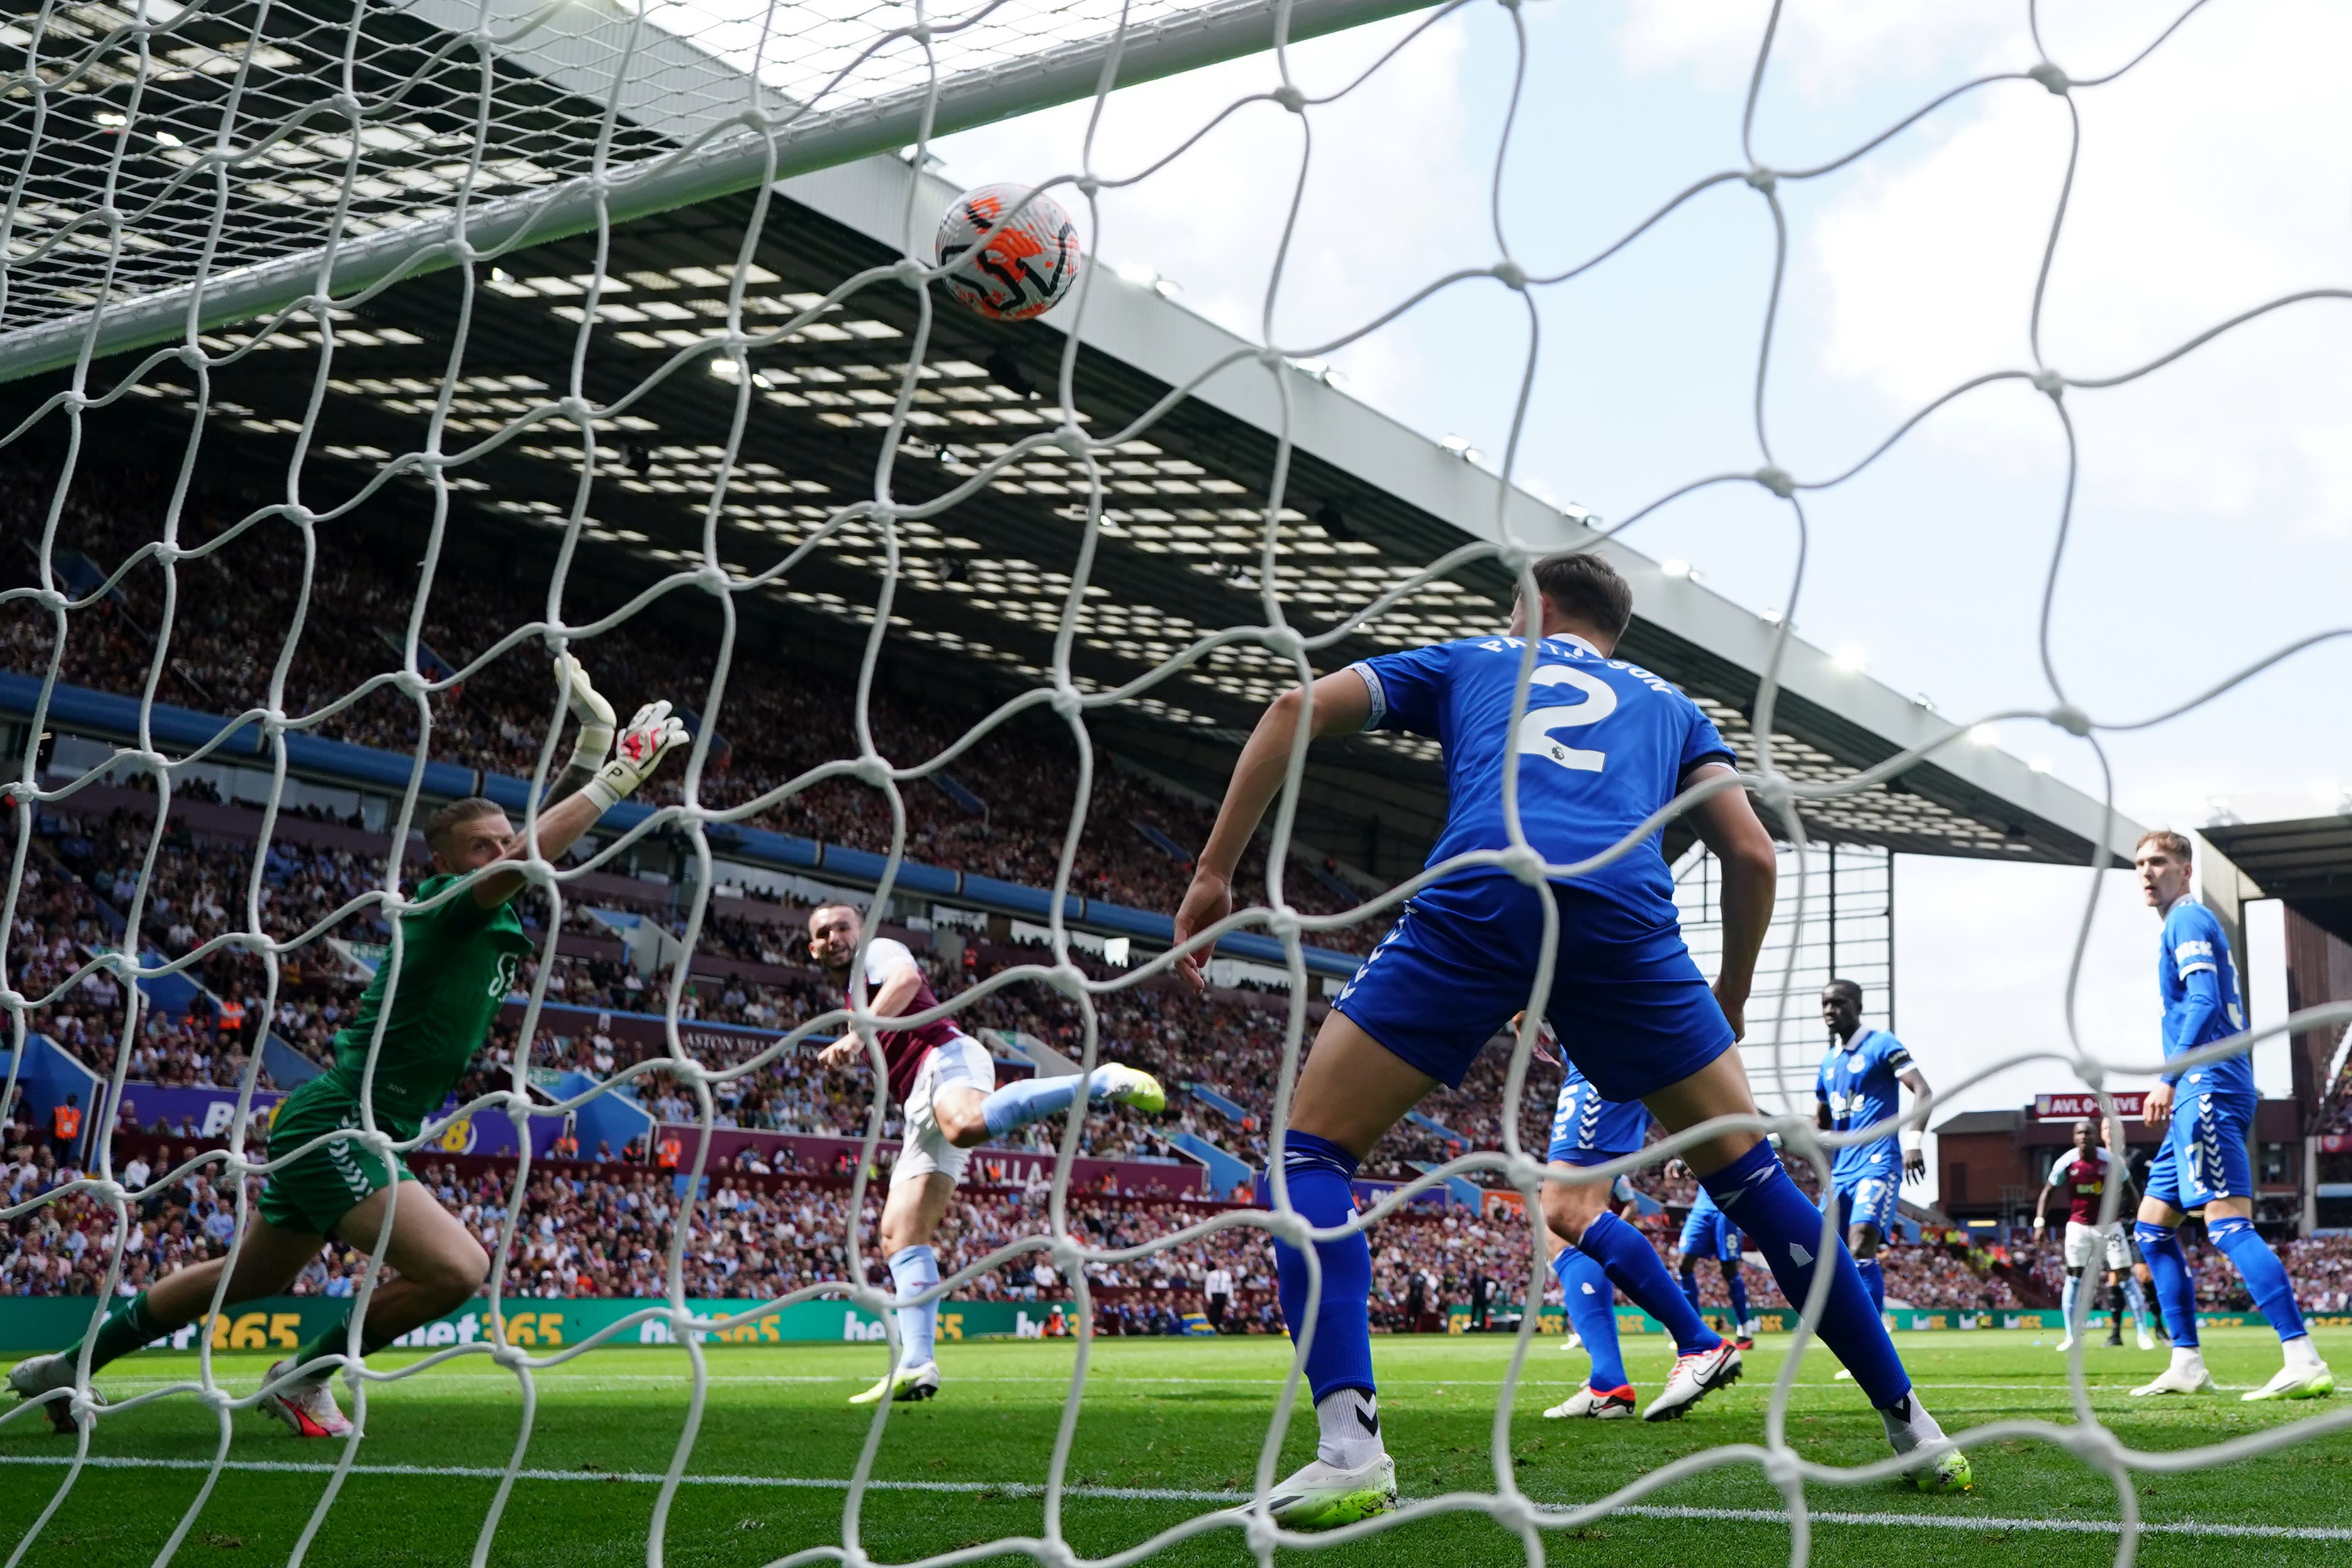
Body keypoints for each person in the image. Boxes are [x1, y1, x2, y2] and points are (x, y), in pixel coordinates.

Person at [1170, 551, 1971, 1528]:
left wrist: (1214, 874)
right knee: (1755, 1183)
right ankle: (1913, 1426)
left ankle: (1350, 1446)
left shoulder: (1476, 659)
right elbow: (1751, 852)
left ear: (1536, 607)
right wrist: (1731, 994)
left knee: (1309, 1152)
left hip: (1483, 897)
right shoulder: (1672, 706)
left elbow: (1295, 708)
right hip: (1622, 923)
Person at [9, 656, 681, 1437]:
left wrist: (592, 747)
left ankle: (68, 1366)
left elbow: (530, 846)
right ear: (442, 863)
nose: (496, 853)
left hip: (365, 1124)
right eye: (479, 847)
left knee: (245, 1278)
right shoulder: (444, 905)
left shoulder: (493, 898)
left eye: (501, 840)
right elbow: (532, 851)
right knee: (460, 1269)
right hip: (340, 1121)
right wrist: (616, 780)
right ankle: (305, 1375)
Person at [807, 901, 1164, 1406]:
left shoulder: (878, 953)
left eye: (843, 926)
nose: (835, 936)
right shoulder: (851, 990)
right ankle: (917, 1364)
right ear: (813, 947)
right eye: (824, 932)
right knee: (897, 1234)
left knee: (965, 1124)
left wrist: (856, 1035)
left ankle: (1100, 1080)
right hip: (918, 1097)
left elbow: (907, 979)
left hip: (945, 1059)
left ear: (860, 930)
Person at [2126, 830, 2330, 1400]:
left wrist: (2169, 1077)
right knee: (2151, 1229)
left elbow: (2205, 1000)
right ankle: (2187, 1361)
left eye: (2159, 863)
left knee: (2227, 1223)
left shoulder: (2188, 920)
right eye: (2140, 864)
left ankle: (2302, 1355)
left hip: (2208, 1086)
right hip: (2202, 1088)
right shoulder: (2178, 924)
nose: (2147, 873)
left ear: (2186, 871)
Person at [1538, 1043, 1740, 1422]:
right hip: (1603, 1048)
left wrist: (1521, 1006)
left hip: (1600, 1047)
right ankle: (1608, 1385)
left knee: (1567, 1206)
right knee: (1562, 1229)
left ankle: (1701, 1344)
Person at [1815, 980, 1931, 1321]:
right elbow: (1818, 1123)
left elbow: (1923, 1091)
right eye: (1825, 1004)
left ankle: (1874, 1335)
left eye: (1839, 1003)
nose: (1829, 1011)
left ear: (1858, 1006)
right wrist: (1775, 1138)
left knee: (1862, 1241)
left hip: (1878, 1163)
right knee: (1820, 1246)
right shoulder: (1829, 1063)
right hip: (1841, 1170)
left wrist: (1913, 1142)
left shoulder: (1882, 1044)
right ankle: (1843, 1323)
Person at [2032, 1119, 2132, 1351]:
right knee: (2074, 1276)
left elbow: (2131, 1190)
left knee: (2124, 1275)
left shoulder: (2111, 1161)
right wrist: (2040, 1223)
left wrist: (2139, 1220)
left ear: (2096, 1136)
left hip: (2109, 1226)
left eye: (2089, 1132)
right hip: (2078, 1226)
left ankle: (2142, 1331)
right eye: (2080, 1133)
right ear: (2074, 1137)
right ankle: (2071, 1336)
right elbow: (2048, 1191)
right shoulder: (2066, 1162)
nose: (2085, 1136)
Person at [1671, 1162, 1754, 1349]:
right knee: (1684, 1264)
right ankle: (1694, 1330)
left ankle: (1745, 1332)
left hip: (1727, 1205)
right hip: (1702, 1208)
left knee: (1729, 1268)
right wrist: (1681, 1163)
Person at [1204, 1263, 1234, 1333]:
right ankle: (1213, 1327)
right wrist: (1208, 1296)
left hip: (1223, 1294)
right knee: (1214, 1312)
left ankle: (1220, 1328)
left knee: (1222, 1312)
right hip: (1214, 1294)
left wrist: (1230, 1296)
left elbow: (1229, 1286)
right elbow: (1208, 1286)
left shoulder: (1227, 1274)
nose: (1220, 1266)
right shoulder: (1211, 1274)